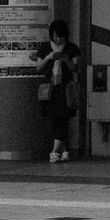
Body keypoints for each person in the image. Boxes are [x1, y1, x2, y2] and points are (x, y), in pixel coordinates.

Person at [30, 20, 81, 163]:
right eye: (56, 36)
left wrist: (66, 61)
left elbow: (76, 68)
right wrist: (48, 57)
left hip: (66, 88)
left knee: (63, 117)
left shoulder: (72, 48)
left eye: (62, 37)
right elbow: (39, 68)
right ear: (51, 35)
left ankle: (54, 151)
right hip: (50, 88)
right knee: (54, 118)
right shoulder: (45, 48)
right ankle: (63, 150)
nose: (59, 40)